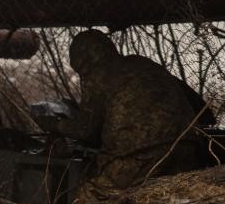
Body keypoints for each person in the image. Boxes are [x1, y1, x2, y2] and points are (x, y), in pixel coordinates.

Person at [66, 29, 209, 188]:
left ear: (86, 61)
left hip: (138, 157)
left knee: (90, 197)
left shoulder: (98, 74)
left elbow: (85, 130)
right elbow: (204, 111)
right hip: (186, 148)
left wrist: (56, 125)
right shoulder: (144, 64)